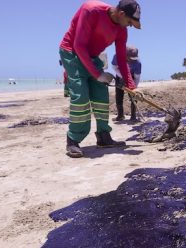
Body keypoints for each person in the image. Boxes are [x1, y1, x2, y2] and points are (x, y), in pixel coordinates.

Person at [59, 0, 142, 158]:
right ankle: (73, 140)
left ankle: (104, 137)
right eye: (130, 22)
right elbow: (79, 45)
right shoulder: (91, 10)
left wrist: (132, 87)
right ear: (121, 14)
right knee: (81, 97)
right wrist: (98, 74)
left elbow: (122, 60)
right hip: (72, 52)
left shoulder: (122, 30)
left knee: (101, 96)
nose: (130, 25)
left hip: (92, 56)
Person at [112, 45, 142, 122]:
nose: (132, 60)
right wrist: (122, 77)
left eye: (134, 58)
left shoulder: (138, 63)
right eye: (131, 58)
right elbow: (114, 67)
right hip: (120, 75)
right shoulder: (117, 56)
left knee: (134, 97)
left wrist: (134, 88)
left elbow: (137, 77)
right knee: (119, 97)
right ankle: (120, 116)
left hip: (132, 78)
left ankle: (133, 116)